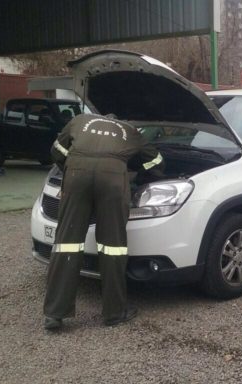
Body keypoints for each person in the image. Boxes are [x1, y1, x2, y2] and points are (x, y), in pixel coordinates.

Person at [43, 113, 163, 330]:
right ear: (118, 121)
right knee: (112, 246)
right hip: (113, 177)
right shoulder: (129, 130)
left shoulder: (80, 120)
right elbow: (156, 160)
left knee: (66, 244)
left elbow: (56, 151)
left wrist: (69, 171)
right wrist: (136, 174)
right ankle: (114, 313)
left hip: (76, 173)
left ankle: (55, 314)